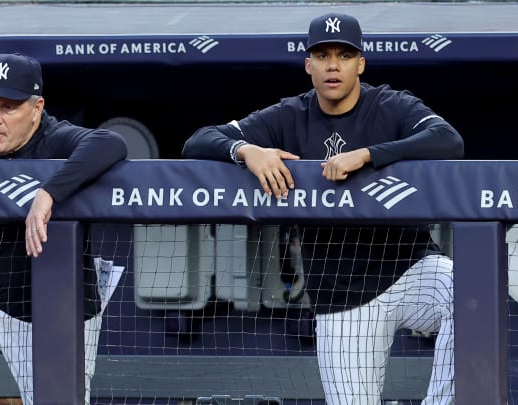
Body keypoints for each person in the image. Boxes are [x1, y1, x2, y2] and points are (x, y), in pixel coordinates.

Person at [183, 12, 463, 405]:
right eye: (323, 55)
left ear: (360, 64)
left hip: (410, 269)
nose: (333, 65)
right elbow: (198, 140)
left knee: (470, 290)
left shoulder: (390, 105)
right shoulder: (288, 115)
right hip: (341, 295)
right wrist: (246, 150)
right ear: (308, 65)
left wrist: (367, 155)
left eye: (345, 55)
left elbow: (448, 140)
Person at [0, 53, 127, 405]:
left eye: (9, 107)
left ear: (36, 108)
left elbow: (111, 143)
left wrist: (49, 193)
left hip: (53, 312)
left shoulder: (55, 138)